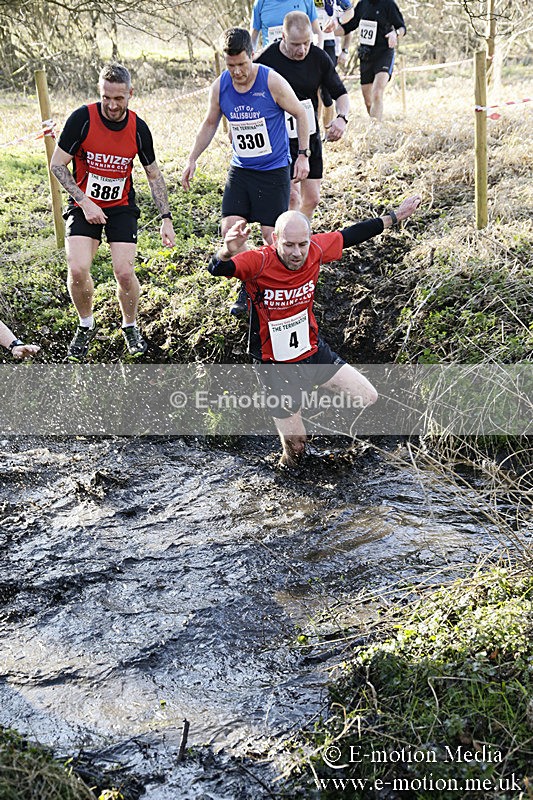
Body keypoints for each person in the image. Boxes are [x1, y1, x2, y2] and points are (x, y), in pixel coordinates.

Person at [208, 195, 421, 466]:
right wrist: (227, 251)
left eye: (302, 244)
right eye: (288, 245)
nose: (297, 253)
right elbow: (218, 268)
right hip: (275, 365)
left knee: (367, 397)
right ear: (275, 240)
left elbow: (351, 235)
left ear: (310, 240)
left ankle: (346, 451)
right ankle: (284, 473)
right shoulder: (259, 262)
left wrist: (395, 216)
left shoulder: (316, 250)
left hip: (312, 350)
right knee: (296, 447)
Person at [50, 62, 175, 362]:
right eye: (106, 97)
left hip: (120, 206)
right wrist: (85, 202)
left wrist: (166, 218)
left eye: (119, 98)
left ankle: (130, 326)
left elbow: (154, 175)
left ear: (130, 93)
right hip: (84, 203)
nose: (112, 105)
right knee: (77, 268)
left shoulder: (138, 128)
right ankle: (86, 324)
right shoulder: (82, 119)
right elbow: (57, 165)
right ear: (100, 92)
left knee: (124, 272)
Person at [182, 27, 310, 316]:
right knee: (230, 230)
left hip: (273, 170)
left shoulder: (271, 81)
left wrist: (303, 155)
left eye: (242, 64)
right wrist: (192, 159)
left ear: (252, 55)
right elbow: (210, 123)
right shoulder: (220, 86)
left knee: (271, 236)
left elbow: (300, 113)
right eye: (231, 66)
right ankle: (251, 286)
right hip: (241, 170)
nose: (237, 72)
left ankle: (281, 287)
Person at [256, 11, 350, 220]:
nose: (302, 50)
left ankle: (300, 234)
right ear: (283, 36)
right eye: (295, 44)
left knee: (313, 199)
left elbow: (341, 94)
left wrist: (342, 118)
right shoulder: (266, 60)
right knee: (292, 197)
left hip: (309, 134)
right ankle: (287, 236)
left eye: (306, 43)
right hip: (280, 138)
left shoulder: (318, 57)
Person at [330, 0, 406, 121]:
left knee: (377, 92)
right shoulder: (362, 4)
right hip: (366, 55)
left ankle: (376, 128)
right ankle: (374, 122)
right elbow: (348, 27)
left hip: (384, 53)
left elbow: (402, 28)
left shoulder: (389, 4)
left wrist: (395, 33)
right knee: (368, 101)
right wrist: (327, 31)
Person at [314, 0, 353, 130]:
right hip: (307, 42)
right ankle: (315, 129)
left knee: (325, 90)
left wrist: (337, 21)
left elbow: (350, 11)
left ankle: (327, 130)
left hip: (328, 42)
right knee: (314, 89)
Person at [250, 0, 322, 50]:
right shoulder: (260, 2)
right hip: (271, 59)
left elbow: (317, 31)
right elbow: (253, 36)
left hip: (300, 57)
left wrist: (318, 53)